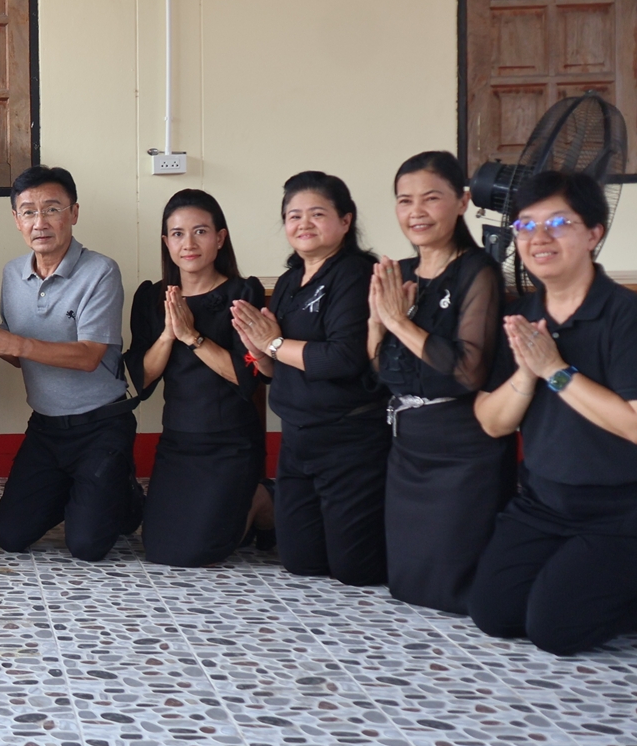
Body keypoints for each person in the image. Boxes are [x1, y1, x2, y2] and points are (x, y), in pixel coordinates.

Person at [468, 171, 637, 654]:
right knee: (494, 613)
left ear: (594, 233)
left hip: (629, 509)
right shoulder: (522, 316)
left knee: (556, 630)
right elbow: (492, 421)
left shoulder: (628, 314)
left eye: (558, 223)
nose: (539, 238)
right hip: (546, 504)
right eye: (525, 226)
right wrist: (527, 373)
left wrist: (555, 370)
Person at [0, 166, 139, 561]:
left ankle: (120, 491)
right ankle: (81, 491)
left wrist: (13, 342)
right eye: (28, 212)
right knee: (9, 536)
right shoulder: (12, 274)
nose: (40, 222)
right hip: (46, 430)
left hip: (101, 425)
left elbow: (89, 356)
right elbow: (21, 358)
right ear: (16, 220)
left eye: (52, 209)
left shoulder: (101, 271)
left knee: (87, 546)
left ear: (73, 213)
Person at [371, 152, 514, 614]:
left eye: (431, 198)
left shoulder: (478, 271)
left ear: (462, 201)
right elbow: (384, 371)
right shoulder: (404, 275)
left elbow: (467, 370)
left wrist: (399, 322)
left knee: (457, 592)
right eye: (404, 200)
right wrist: (379, 324)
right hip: (409, 447)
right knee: (410, 587)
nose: (416, 212)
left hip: (462, 450)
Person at [233, 171, 388, 587]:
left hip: (349, 437)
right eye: (293, 216)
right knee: (301, 561)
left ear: (345, 221)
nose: (303, 223)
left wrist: (275, 342)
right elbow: (273, 366)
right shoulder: (288, 281)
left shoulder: (356, 273)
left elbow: (343, 357)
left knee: (355, 570)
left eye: (317, 214)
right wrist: (258, 346)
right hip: (297, 439)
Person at [125, 189, 270, 567]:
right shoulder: (153, 299)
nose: (188, 243)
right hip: (178, 443)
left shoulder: (242, 293)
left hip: (231, 444)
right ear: (166, 242)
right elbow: (140, 382)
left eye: (200, 231)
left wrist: (193, 337)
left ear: (220, 238)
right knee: (158, 548)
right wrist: (170, 333)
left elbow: (247, 379)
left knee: (198, 552)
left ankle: (261, 499)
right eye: (177, 234)